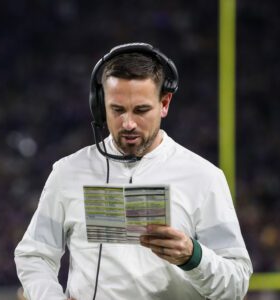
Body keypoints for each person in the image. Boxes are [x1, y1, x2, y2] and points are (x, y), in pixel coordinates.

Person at [14, 42, 252, 300]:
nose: (128, 123)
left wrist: (193, 257)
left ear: (164, 103)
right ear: (100, 105)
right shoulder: (67, 173)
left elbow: (236, 284)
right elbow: (34, 255)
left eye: (141, 110)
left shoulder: (204, 178)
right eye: (117, 110)